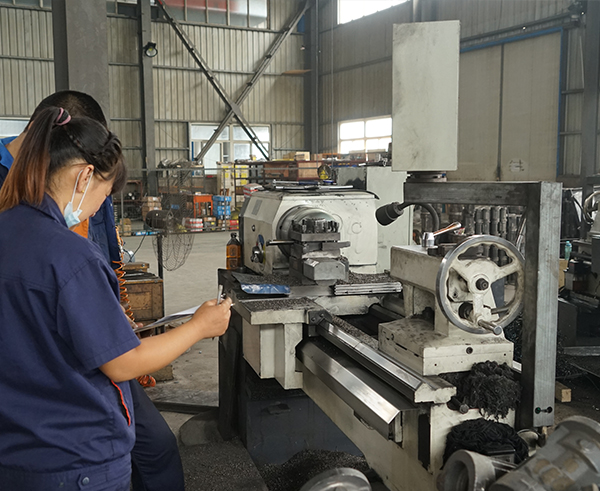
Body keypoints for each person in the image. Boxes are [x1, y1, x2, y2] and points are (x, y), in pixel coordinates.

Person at [0, 106, 232, 490]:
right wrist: (199, 327)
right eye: (104, 194)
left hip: (17, 450)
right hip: (75, 458)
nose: (96, 209)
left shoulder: (8, 229)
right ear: (85, 176)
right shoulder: (71, 256)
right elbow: (124, 364)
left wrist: (103, 320)